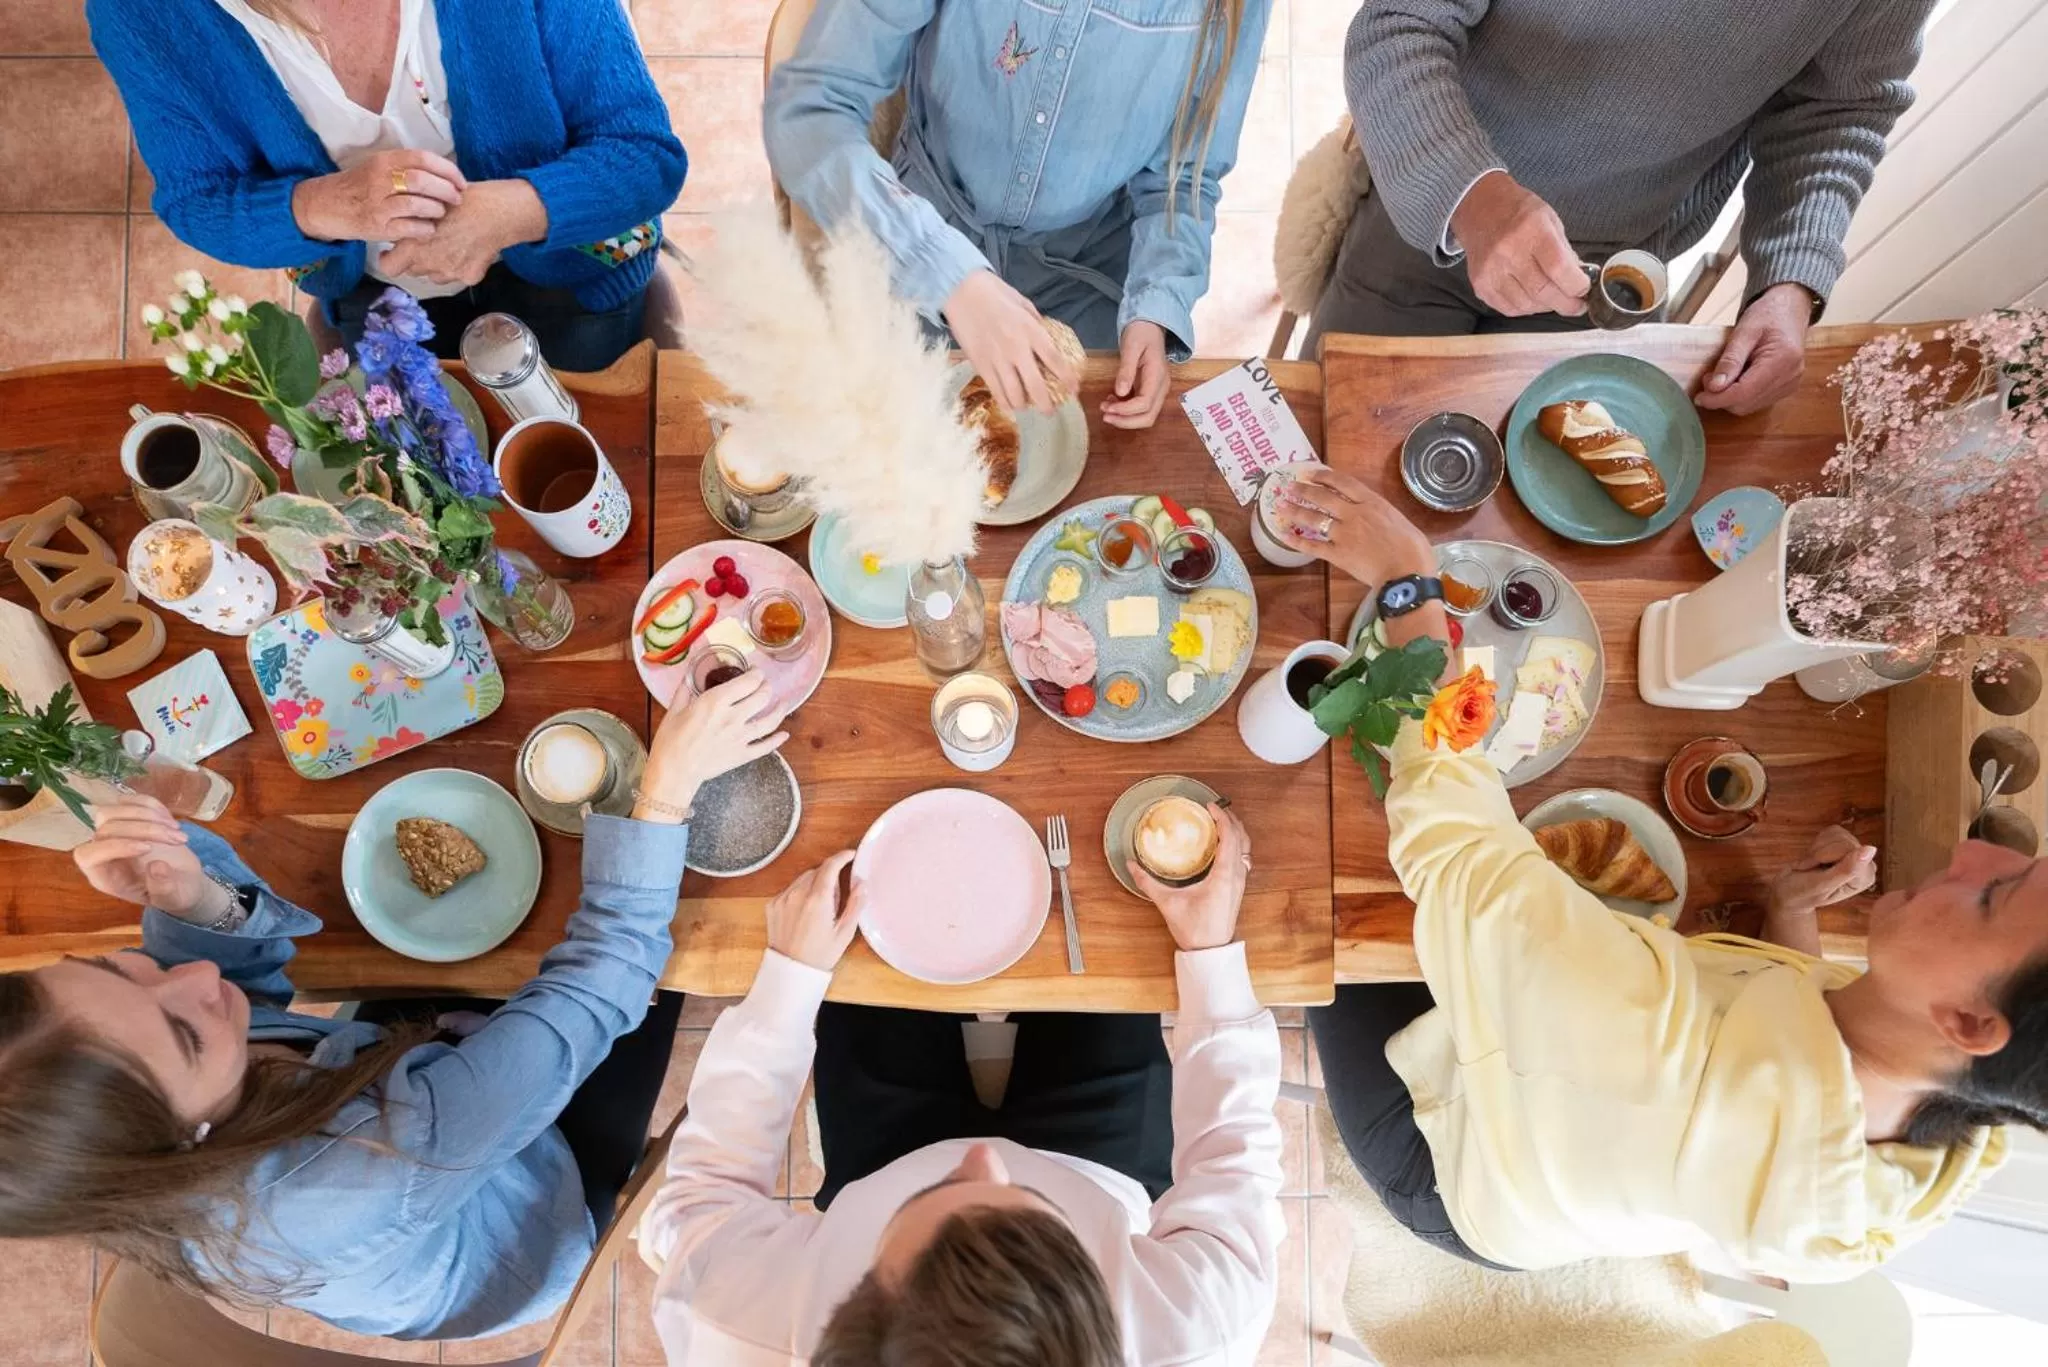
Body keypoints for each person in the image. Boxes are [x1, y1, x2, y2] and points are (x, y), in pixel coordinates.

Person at [1270, 465, 2031, 1280]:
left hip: (1451, 1159)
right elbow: (1810, 1075)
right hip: (1566, 1108)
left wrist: (1404, 586)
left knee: (1320, 892)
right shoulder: (1962, 1109)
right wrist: (1789, 915)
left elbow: (1456, 848)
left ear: (1970, 1023)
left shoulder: (1651, 1051)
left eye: (1994, 895)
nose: (1973, 852)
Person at [0, 673, 788, 1341]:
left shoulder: (145, 1125)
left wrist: (188, 893)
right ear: (188, 1146)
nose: (198, 976)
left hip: (390, 1079)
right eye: (184, 1032)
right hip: (537, 1202)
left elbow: (240, 992)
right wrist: (667, 790)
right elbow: (603, 977)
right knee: (671, 959)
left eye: (114, 966)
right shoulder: (352, 1180)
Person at [635, 806, 1283, 1365]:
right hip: (1097, 1169)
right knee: (1102, 906)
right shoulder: (1196, 1334)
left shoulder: (737, 1327)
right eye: (1038, 1215)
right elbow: (1233, 1162)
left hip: (881, 1160)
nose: (986, 1156)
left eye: (945, 1192)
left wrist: (789, 978)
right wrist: (1210, 953)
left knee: (870, 905)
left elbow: (707, 1191)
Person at [1307, 1, 1935, 414]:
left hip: (1617, 264)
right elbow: (1400, 20)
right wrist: (1473, 195)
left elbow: (1840, 108)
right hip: (1433, 207)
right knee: (1321, 430)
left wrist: (1791, 283)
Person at [88, 0, 685, 371]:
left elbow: (643, 155)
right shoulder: (141, 12)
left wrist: (509, 214)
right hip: (374, 294)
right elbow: (197, 200)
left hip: (575, 266)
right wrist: (325, 206)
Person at [764, 0, 1272, 430]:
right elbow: (809, 113)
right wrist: (949, 275)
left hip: (1088, 281)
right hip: (915, 239)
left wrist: (1156, 305)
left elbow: (1183, 177)